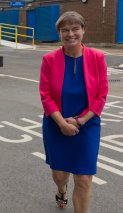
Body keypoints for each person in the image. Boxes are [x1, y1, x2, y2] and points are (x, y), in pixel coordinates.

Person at [39, 11, 108, 213]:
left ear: (83, 30)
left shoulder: (97, 57)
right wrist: (62, 123)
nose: (71, 34)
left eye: (75, 29)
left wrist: (80, 121)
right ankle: (62, 189)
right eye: (65, 30)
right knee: (61, 175)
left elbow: (101, 94)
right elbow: (46, 96)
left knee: (85, 178)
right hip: (56, 123)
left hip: (88, 123)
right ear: (60, 34)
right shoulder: (49, 59)